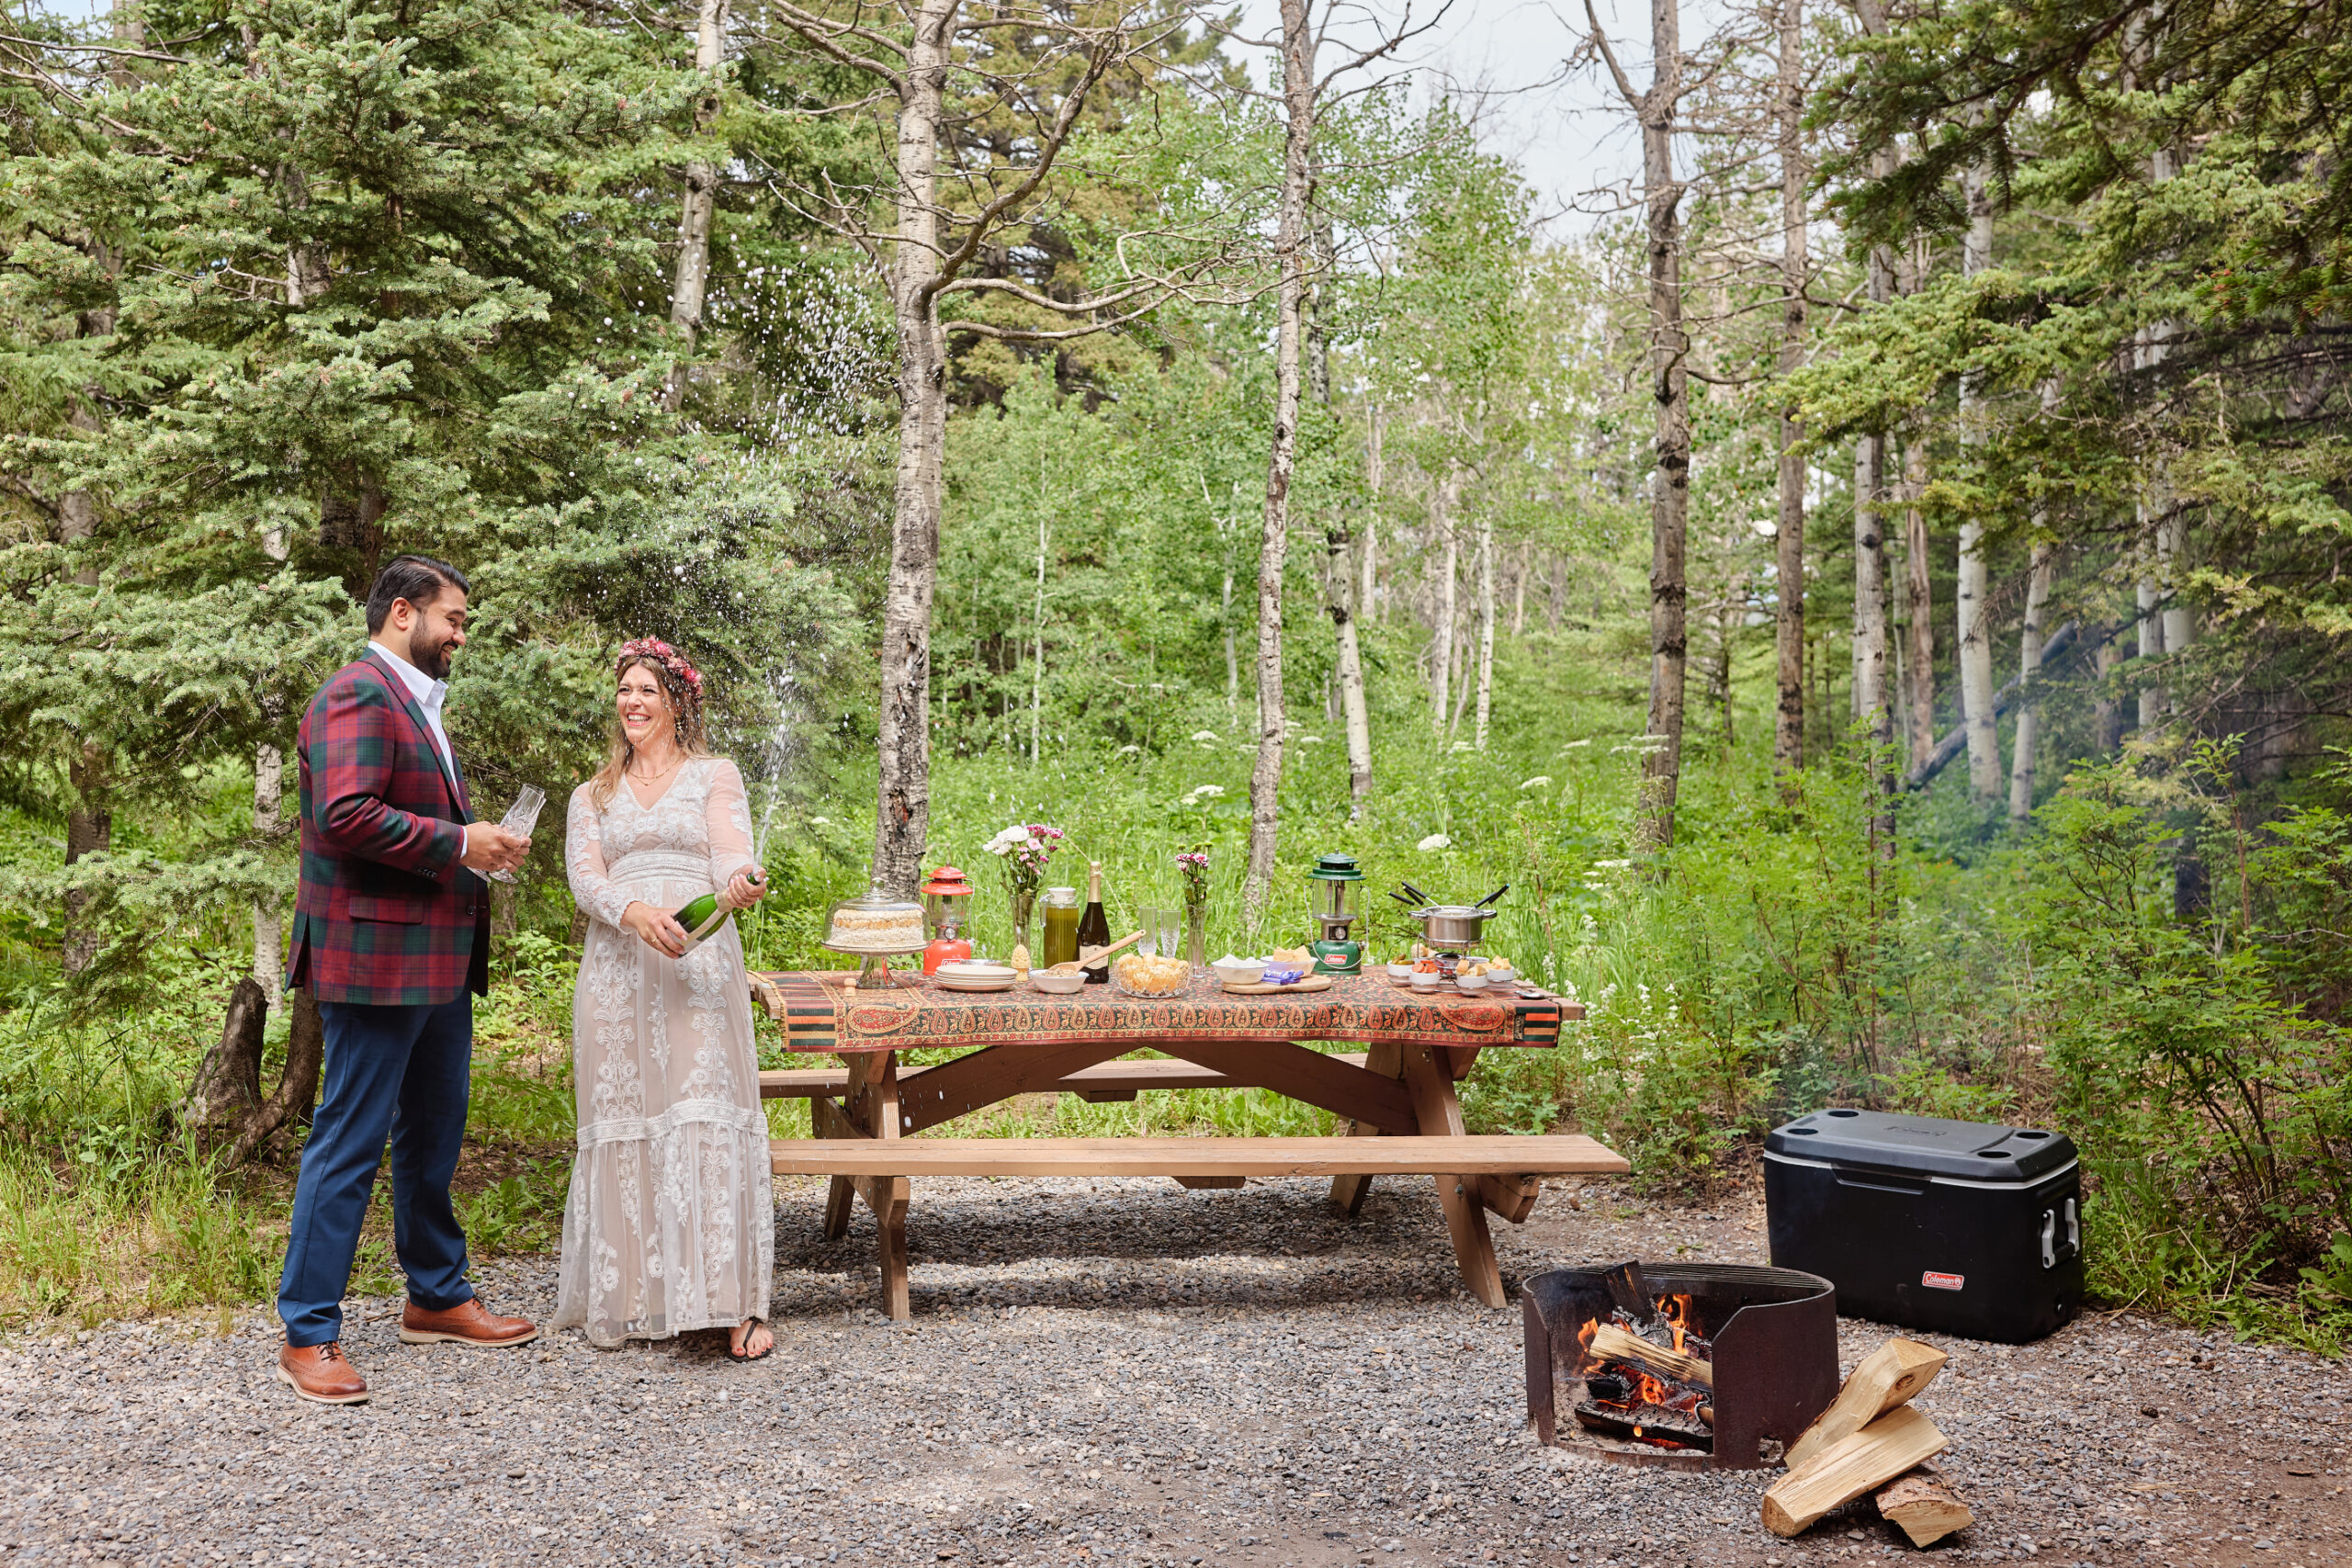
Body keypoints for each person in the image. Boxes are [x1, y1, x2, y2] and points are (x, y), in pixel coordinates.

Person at [276, 555, 540, 1405]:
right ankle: (309, 1332)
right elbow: (344, 815)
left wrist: (476, 845)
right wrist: (463, 843)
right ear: (402, 613)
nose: (461, 634)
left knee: (433, 1131)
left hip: (436, 960)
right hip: (373, 959)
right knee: (348, 1139)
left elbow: (406, 816)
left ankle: (435, 1294)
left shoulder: (420, 703)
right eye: (453, 619)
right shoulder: (358, 691)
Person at [553, 638, 776, 1360]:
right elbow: (586, 883)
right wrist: (634, 913)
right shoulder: (592, 796)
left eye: (648, 690)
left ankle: (733, 1303)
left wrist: (739, 883)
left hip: (696, 958)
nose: (633, 702)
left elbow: (728, 858)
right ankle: (636, 1296)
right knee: (629, 1117)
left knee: (702, 1109)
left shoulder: (715, 774)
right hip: (618, 967)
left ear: (678, 703)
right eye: (625, 691)